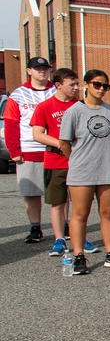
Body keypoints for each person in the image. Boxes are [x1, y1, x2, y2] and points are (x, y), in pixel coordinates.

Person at [57, 70, 110, 274]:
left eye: (105, 86)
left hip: (108, 170)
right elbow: (64, 143)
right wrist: (77, 160)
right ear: (86, 85)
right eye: (97, 84)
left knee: (108, 213)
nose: (101, 89)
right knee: (80, 214)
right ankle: (79, 256)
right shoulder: (74, 111)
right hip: (82, 171)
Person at [30, 68, 96, 257]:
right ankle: (59, 239)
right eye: (71, 85)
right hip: (55, 161)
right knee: (58, 203)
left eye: (77, 84)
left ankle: (80, 237)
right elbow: (37, 134)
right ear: (58, 85)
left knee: (80, 203)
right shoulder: (45, 107)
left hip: (79, 162)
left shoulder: (82, 106)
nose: (76, 88)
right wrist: (62, 144)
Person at [3, 56, 55, 243]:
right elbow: (11, 124)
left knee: (59, 192)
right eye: (37, 68)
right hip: (29, 149)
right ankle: (35, 227)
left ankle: (63, 225)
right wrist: (14, 151)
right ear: (29, 71)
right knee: (31, 192)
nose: (42, 71)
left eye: (45, 68)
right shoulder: (18, 95)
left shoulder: (57, 91)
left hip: (55, 150)